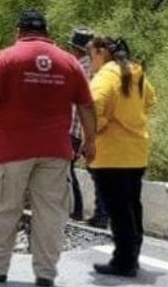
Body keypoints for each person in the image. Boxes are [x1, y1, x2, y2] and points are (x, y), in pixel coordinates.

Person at [0, 9, 96, 287]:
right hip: (56, 151)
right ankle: (46, 274)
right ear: (47, 33)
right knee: (51, 213)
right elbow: (86, 105)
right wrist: (90, 140)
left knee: (3, 208)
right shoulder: (69, 63)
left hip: (11, 149)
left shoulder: (6, 58)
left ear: (18, 32)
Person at [87, 36, 157, 277]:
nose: (90, 61)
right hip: (136, 153)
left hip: (111, 154)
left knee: (118, 210)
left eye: (90, 55)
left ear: (100, 53)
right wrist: (133, 120)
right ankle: (132, 256)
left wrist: (102, 124)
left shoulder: (106, 76)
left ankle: (123, 262)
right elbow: (150, 100)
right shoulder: (136, 72)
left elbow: (92, 105)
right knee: (132, 207)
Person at [66, 27, 107, 227]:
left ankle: (76, 210)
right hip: (96, 128)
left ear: (75, 49)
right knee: (96, 171)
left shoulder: (75, 68)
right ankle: (102, 214)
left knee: (66, 168)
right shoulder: (99, 69)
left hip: (75, 127)